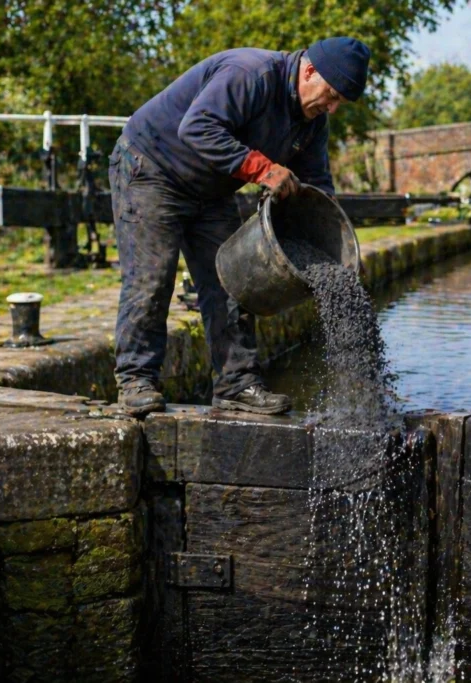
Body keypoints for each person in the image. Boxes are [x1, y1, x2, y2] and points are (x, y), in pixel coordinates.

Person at [108, 37, 370, 417]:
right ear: (310, 70)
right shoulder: (251, 74)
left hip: (211, 190)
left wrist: (341, 253)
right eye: (330, 96)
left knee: (232, 280)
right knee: (151, 279)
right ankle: (135, 380)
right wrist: (263, 169)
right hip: (152, 169)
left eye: (338, 104)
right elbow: (196, 128)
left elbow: (317, 191)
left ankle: (236, 384)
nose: (329, 107)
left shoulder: (313, 123)